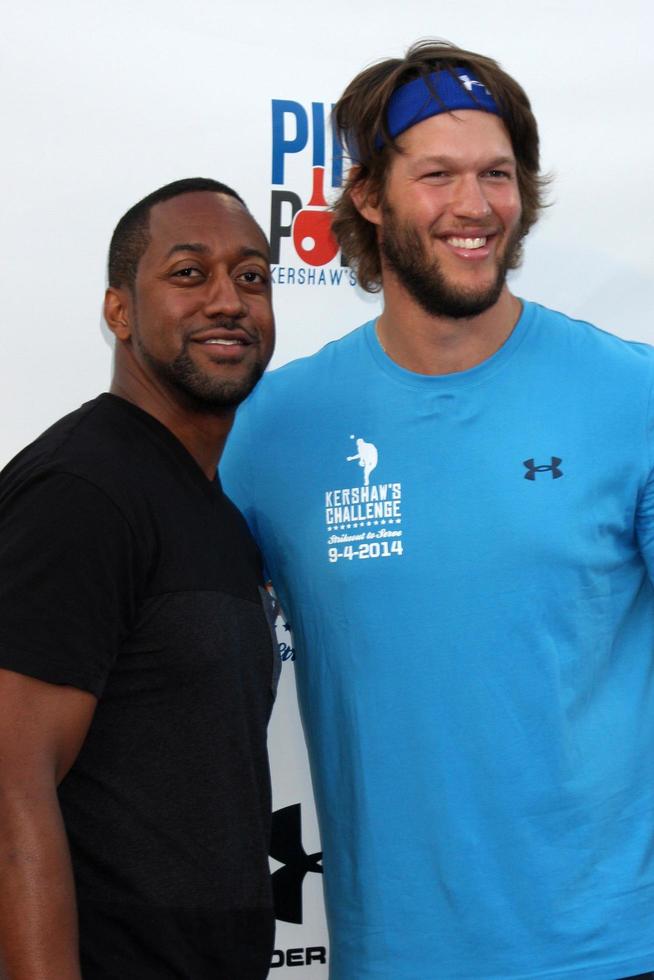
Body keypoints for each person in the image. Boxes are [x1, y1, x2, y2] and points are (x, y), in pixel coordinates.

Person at [220, 41, 654, 980]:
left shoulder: (633, 398)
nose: (475, 206)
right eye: (439, 174)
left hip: (612, 952)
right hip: (390, 956)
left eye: (498, 174)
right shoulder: (277, 430)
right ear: (370, 197)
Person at [0, 177, 277, 979]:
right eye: (189, 273)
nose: (228, 299)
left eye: (252, 276)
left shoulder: (211, 503)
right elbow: (11, 784)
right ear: (118, 311)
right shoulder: (82, 493)